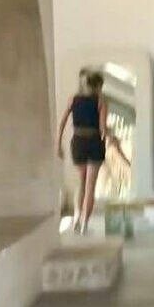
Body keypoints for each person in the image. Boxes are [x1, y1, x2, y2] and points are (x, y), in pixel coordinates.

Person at [57, 69, 108, 234]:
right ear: (98, 85)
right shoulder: (101, 102)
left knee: (81, 184)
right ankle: (85, 223)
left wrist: (58, 145)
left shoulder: (73, 99)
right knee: (90, 187)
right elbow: (103, 129)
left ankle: (77, 219)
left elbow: (62, 123)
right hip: (94, 143)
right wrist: (111, 137)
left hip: (78, 142)